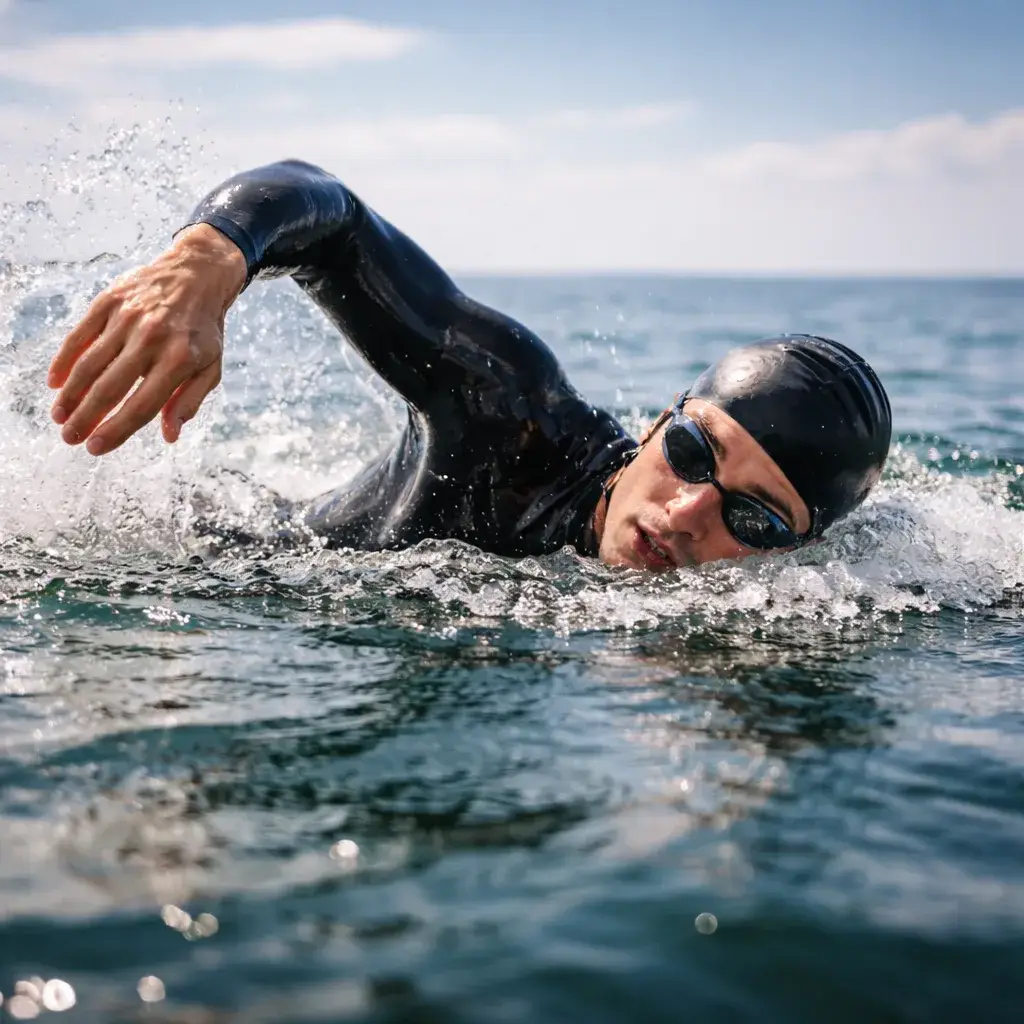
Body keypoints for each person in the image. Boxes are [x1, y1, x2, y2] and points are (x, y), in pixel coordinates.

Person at [46, 160, 891, 571]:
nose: (688, 509)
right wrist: (206, 260)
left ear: (796, 552)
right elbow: (331, 216)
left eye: (755, 521)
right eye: (695, 454)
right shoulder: (509, 412)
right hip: (216, 564)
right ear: (658, 423)